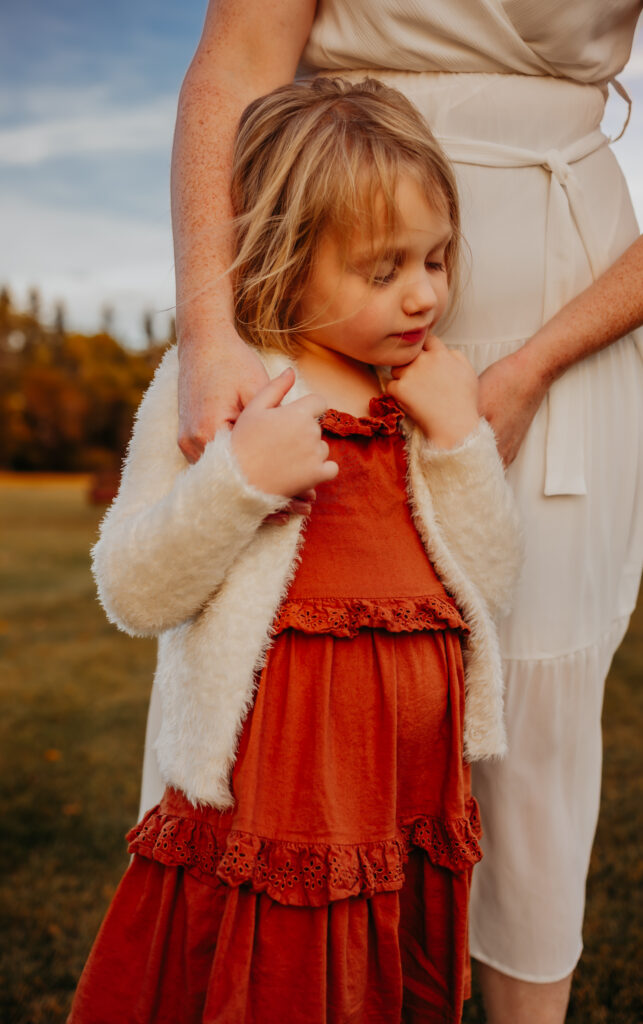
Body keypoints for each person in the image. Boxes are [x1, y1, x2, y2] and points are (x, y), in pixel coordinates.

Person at [158, 4, 643, 1022]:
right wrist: (211, 330)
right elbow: (238, 61)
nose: (425, 296)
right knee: (274, 705)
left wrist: (531, 366)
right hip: (304, 288)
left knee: (532, 721)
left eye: (432, 269)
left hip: (560, 324)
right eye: (403, 275)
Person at [68, 78, 522, 1023]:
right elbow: (132, 588)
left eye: (435, 258)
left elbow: (490, 578)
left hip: (401, 786)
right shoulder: (229, 386)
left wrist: (460, 443)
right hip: (281, 789)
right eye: (383, 267)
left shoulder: (417, 389)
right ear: (286, 254)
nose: (425, 292)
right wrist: (238, 479)